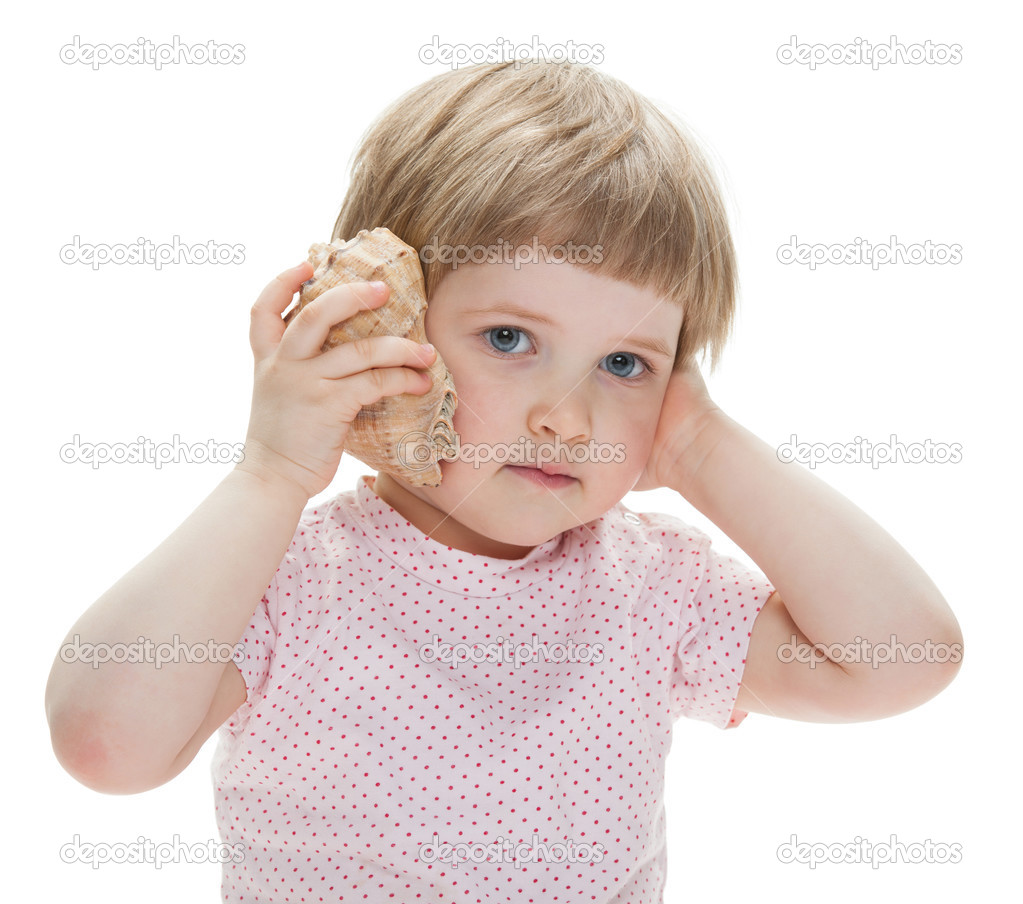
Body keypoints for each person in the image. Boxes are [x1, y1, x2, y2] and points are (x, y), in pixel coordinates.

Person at [45, 60, 964, 903]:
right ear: (384, 331)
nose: (568, 418)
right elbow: (107, 747)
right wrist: (268, 475)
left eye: (624, 364)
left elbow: (901, 659)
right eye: (510, 340)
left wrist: (701, 446)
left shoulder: (652, 590)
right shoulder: (282, 577)